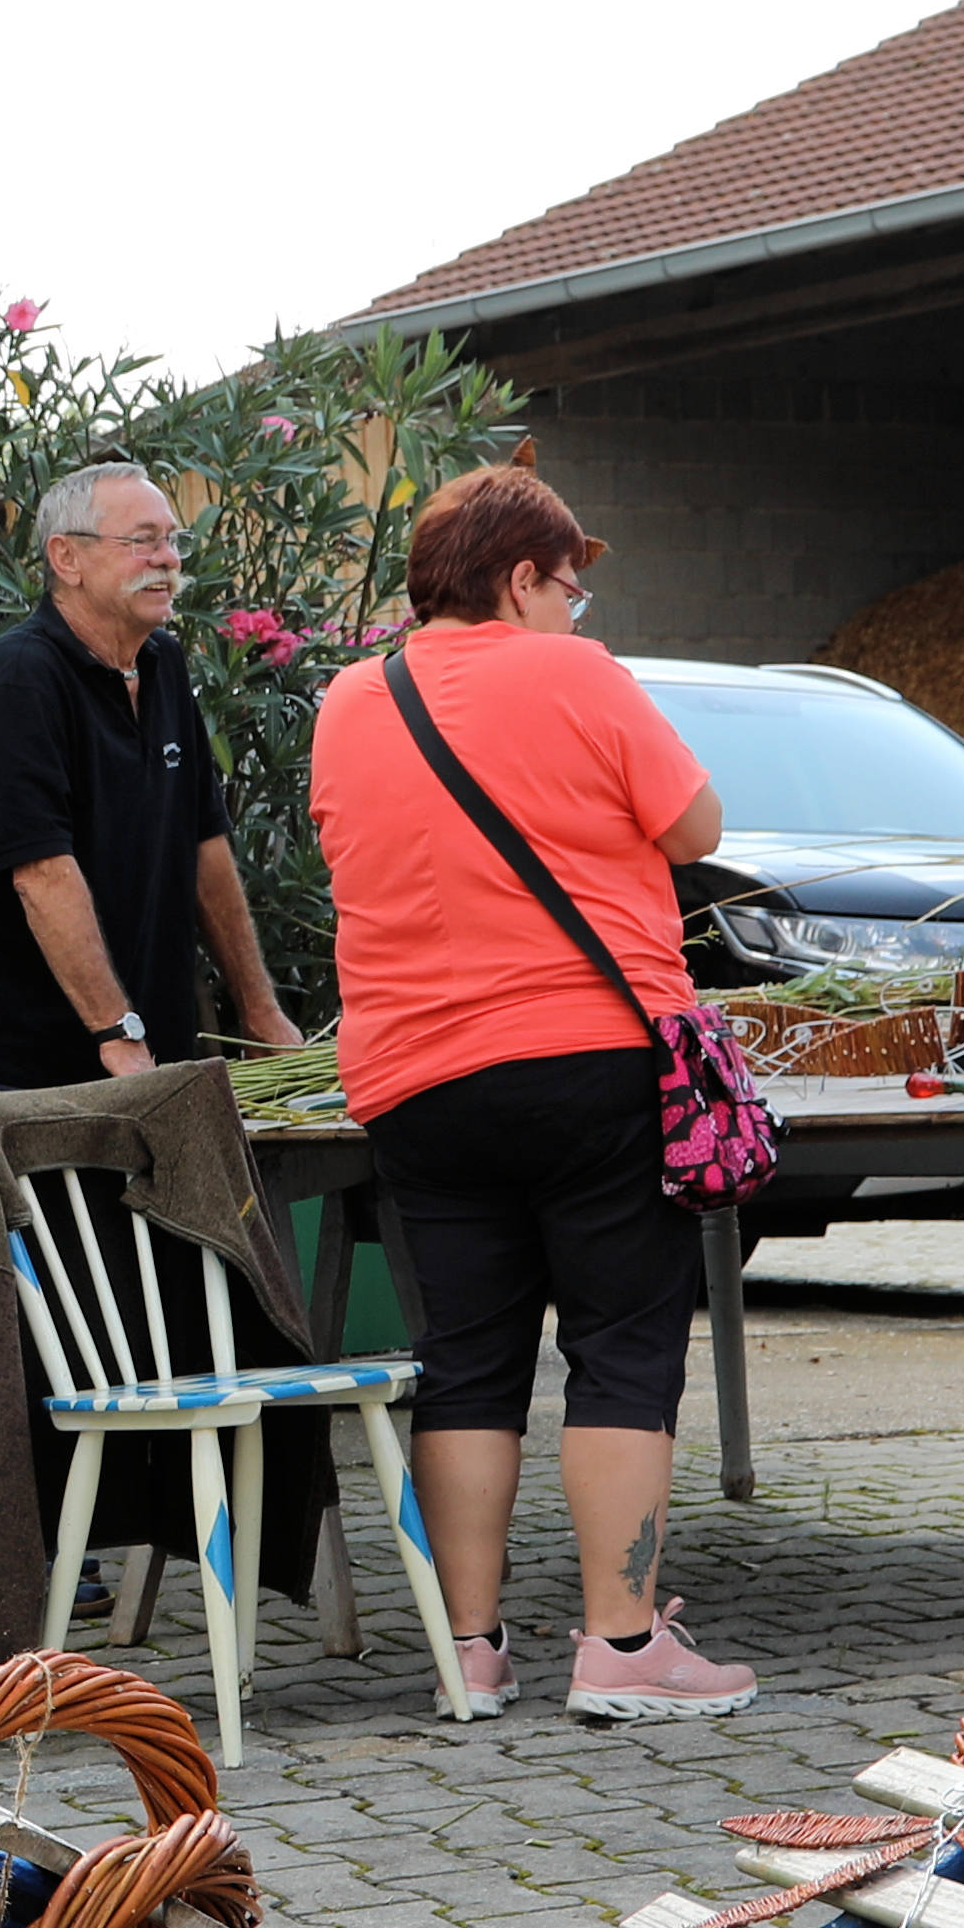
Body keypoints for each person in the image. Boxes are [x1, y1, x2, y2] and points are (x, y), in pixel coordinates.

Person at [310, 468, 743, 1728]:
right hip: (590, 1058)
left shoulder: (350, 700)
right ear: (519, 579)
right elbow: (699, 829)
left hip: (416, 1079)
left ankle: (473, 1652)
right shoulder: (578, 674)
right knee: (622, 1345)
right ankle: (623, 1645)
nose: (572, 607)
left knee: (466, 1359)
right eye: (567, 585)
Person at [0, 461, 296, 1099]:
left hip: (134, 1051)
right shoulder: (20, 681)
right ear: (66, 558)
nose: (167, 559)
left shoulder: (162, 664)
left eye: (172, 541)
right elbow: (42, 874)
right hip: (6, 1065)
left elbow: (203, 844)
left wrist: (259, 1008)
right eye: (142, 541)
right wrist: (117, 1030)